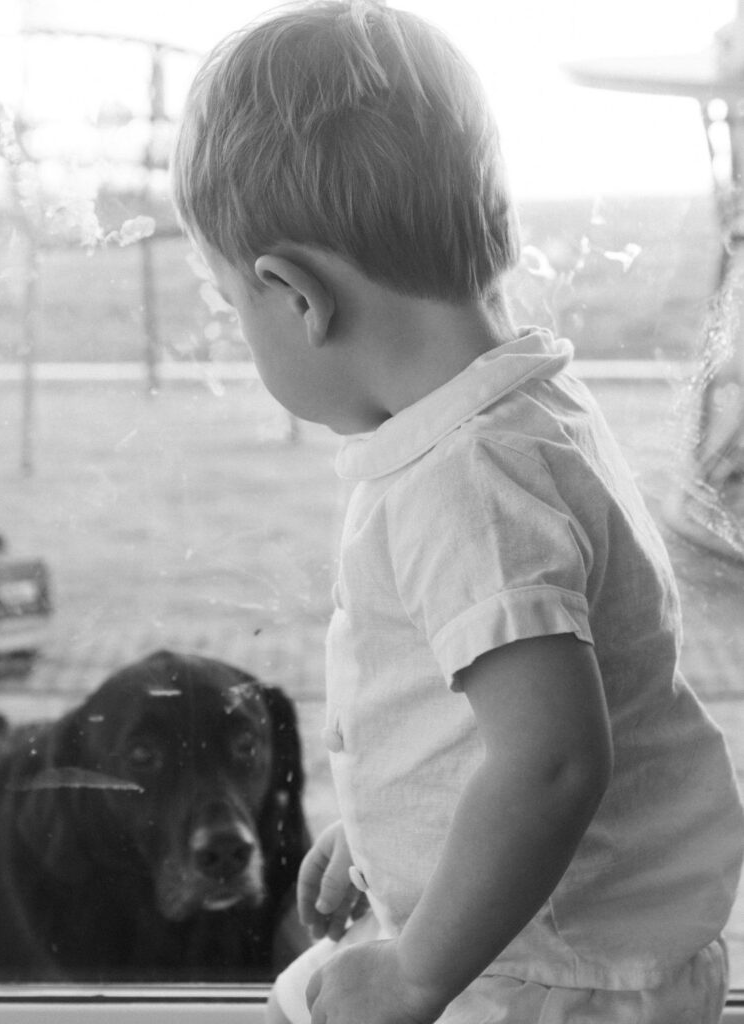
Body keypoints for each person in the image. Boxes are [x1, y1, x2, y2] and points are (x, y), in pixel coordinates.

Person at [171, 2, 744, 1021]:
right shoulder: (527, 410)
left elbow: (555, 759)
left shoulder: (464, 479)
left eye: (232, 310)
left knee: (314, 1002)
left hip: (551, 979)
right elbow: (498, 718)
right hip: (579, 940)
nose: (240, 338)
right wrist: (407, 827)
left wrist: (417, 968)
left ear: (297, 297)